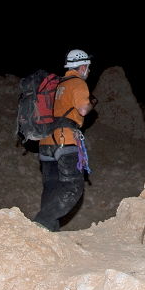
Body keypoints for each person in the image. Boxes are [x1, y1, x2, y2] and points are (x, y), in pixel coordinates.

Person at [34, 49, 96, 231]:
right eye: (88, 68)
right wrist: (91, 103)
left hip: (45, 142)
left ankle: (48, 234)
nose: (89, 72)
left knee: (52, 187)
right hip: (65, 139)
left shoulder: (57, 85)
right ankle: (40, 223)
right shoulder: (77, 83)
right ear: (83, 66)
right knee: (72, 187)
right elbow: (83, 110)